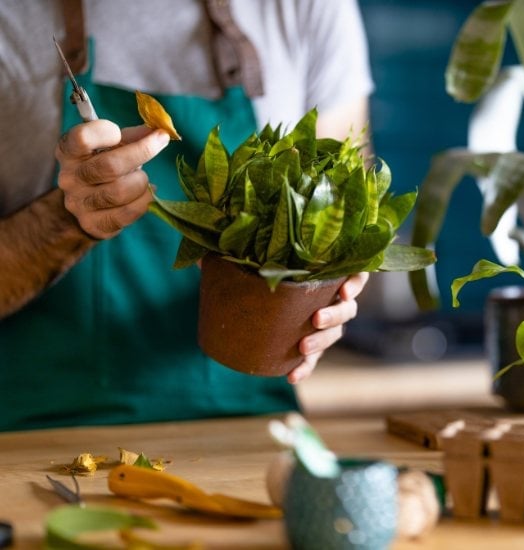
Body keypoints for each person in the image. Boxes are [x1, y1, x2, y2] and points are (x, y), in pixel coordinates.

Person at [0, 0, 375, 431]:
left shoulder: (306, 7)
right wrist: (69, 221)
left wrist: (329, 292)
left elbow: (346, 204)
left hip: (249, 428)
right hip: (33, 429)